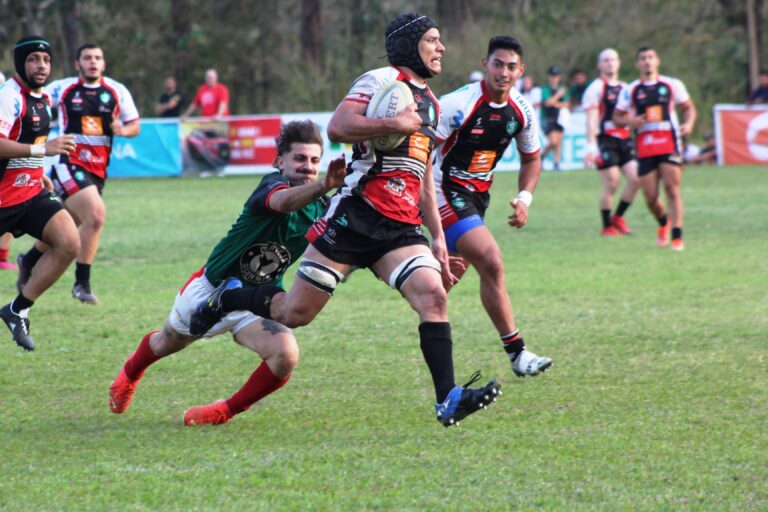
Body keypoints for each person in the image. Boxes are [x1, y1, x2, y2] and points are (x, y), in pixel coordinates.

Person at [190, 13, 502, 428]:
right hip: (355, 215)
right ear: (410, 45)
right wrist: (393, 122)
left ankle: (448, 399)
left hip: (400, 228)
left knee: (433, 297)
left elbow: (424, 174)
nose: (441, 48)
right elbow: (338, 126)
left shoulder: (433, 103)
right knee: (293, 313)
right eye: (432, 40)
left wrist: (438, 237)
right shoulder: (379, 81)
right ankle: (227, 298)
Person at [109, 120, 347, 426]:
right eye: (299, 159)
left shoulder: (323, 207)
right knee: (166, 344)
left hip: (255, 301)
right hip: (210, 291)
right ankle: (130, 373)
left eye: (314, 160)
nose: (307, 167)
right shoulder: (272, 185)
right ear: (280, 161)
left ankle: (224, 411)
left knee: (285, 355)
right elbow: (283, 203)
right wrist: (324, 184)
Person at [432, 35, 552, 378]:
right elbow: (422, 155)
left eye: (511, 66)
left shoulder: (521, 110)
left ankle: (382, 258)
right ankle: (518, 353)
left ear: (521, 71)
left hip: (476, 198)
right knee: (492, 261)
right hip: (443, 189)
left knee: (439, 285)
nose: (504, 72)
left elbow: (532, 158)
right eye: (497, 64)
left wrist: (524, 198)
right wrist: (422, 204)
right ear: (485, 65)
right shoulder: (458, 104)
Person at [17, 43, 140, 304]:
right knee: (95, 216)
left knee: (69, 226)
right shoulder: (62, 89)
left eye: (97, 58)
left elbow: (135, 124)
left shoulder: (117, 91)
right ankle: (81, 284)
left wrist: (123, 130)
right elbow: (29, 99)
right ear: (77, 63)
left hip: (98, 169)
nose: (92, 62)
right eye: (87, 58)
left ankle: (28, 261)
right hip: (68, 163)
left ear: (103, 64)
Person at [0, 36, 80, 351]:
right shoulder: (8, 96)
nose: (41, 66)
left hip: (29, 192)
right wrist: (42, 150)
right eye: (34, 59)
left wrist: (40, 173)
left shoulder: (41, 97)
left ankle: (17, 309)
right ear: (21, 62)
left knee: (69, 242)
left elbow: (24, 145)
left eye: (46, 60)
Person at [613, 46, 696, 251]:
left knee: (672, 189)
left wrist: (689, 124)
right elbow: (616, 117)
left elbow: (688, 108)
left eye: (651, 57)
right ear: (637, 64)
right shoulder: (631, 89)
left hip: (669, 144)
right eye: (643, 58)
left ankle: (677, 237)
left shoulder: (671, 84)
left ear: (657, 61)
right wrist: (630, 121)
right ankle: (663, 224)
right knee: (650, 198)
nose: (647, 62)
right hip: (645, 147)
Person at [582, 48, 640, 237]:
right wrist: (591, 146)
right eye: (606, 60)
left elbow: (630, 114)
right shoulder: (595, 88)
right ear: (599, 64)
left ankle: (618, 217)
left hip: (624, 138)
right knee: (612, 181)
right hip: (605, 140)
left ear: (619, 62)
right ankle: (606, 226)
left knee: (636, 178)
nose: (610, 63)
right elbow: (591, 119)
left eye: (613, 59)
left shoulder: (626, 87)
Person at [540, 66, 569, 170]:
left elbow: (565, 104)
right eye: (552, 76)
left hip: (559, 118)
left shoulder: (562, 89)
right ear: (549, 77)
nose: (554, 78)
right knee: (553, 141)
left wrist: (555, 103)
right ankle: (541, 156)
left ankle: (556, 163)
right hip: (547, 118)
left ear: (559, 77)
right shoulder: (545, 89)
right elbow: (547, 103)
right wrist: (558, 95)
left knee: (558, 142)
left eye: (556, 76)